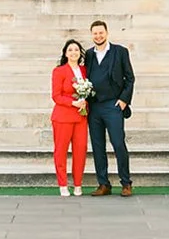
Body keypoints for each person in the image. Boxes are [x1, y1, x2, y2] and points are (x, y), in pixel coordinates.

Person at [82, 19, 135, 196]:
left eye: (101, 32)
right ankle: (103, 184)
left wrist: (123, 101)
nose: (98, 36)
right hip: (94, 107)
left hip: (113, 105)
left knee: (118, 144)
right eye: (95, 33)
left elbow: (130, 78)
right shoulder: (88, 55)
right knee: (97, 146)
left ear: (107, 33)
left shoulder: (120, 52)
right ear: (92, 35)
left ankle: (126, 183)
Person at [50, 38, 89, 196]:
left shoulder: (84, 70)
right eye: (70, 50)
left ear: (80, 53)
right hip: (63, 117)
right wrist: (73, 103)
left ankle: (78, 184)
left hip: (81, 117)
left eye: (76, 50)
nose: (74, 52)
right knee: (61, 151)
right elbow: (56, 96)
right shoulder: (59, 71)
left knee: (81, 150)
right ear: (65, 53)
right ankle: (63, 184)